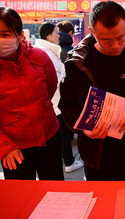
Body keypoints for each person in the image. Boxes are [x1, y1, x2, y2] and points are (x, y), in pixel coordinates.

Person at [58, 1, 125, 181]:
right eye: (106, 39)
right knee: (99, 201)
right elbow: (66, 105)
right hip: (95, 150)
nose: (115, 45)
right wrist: (84, 128)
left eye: (121, 37)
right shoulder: (78, 63)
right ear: (92, 31)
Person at [0, 6, 64, 180]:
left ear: (20, 36)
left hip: (49, 136)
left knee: (55, 192)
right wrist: (4, 147)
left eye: (5, 34)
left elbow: (50, 88)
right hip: (14, 146)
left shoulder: (39, 57)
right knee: (22, 200)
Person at [35, 22, 83, 173]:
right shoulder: (45, 54)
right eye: (56, 33)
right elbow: (55, 81)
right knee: (62, 135)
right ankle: (69, 162)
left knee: (62, 135)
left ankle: (68, 160)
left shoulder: (46, 51)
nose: (58, 35)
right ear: (48, 35)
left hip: (55, 102)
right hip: (56, 103)